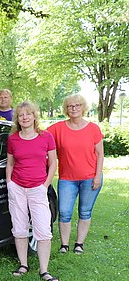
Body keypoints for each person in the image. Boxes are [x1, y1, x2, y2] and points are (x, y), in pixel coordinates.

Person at [6, 101, 59, 281]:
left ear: (35, 116)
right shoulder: (13, 139)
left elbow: (53, 163)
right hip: (18, 187)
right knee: (19, 227)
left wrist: (45, 185)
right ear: (17, 119)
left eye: (28, 114)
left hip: (38, 187)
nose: (25, 117)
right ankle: (23, 265)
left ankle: (44, 270)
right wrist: (10, 183)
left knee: (43, 229)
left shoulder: (46, 137)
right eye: (21, 115)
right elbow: (10, 163)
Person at [48, 94, 104, 254]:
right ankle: (64, 245)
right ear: (66, 109)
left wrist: (98, 176)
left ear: (83, 107)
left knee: (85, 211)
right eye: (70, 106)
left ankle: (79, 243)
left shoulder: (93, 128)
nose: (74, 108)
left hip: (90, 178)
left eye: (77, 105)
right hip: (67, 179)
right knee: (64, 212)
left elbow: (100, 154)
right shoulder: (57, 128)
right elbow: (40, 137)